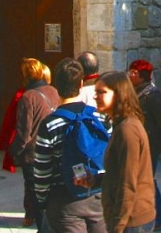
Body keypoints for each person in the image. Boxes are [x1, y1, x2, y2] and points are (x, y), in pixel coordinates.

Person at [33, 57, 108, 232]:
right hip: (98, 196)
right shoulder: (100, 117)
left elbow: (42, 169)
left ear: (56, 85)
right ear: (81, 83)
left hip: (64, 200)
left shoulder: (49, 124)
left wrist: (43, 199)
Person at [94, 71, 155, 233]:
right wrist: (94, 180)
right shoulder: (121, 125)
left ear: (119, 94)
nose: (96, 97)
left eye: (102, 92)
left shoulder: (128, 130)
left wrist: (118, 226)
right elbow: (118, 173)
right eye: (96, 92)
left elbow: (128, 183)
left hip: (133, 221)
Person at [9, 58, 61, 231]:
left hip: (34, 153)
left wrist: (14, 152)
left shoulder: (27, 97)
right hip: (53, 147)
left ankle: (40, 225)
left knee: (35, 194)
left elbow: (24, 131)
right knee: (52, 192)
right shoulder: (54, 91)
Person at [129, 60, 161, 230]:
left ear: (142, 76)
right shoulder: (135, 93)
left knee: (148, 181)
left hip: (150, 145)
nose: (130, 75)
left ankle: (160, 217)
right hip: (139, 144)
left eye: (133, 72)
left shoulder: (152, 95)